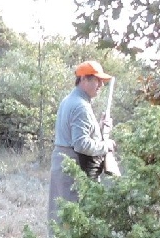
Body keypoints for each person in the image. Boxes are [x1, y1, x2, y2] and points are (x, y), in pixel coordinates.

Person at [47, 60, 115, 229]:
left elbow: (78, 135)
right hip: (73, 167)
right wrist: (106, 145)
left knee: (62, 217)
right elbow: (81, 144)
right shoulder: (80, 106)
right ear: (84, 79)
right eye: (96, 80)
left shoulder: (70, 100)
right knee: (73, 220)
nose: (100, 85)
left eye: (101, 81)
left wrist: (99, 128)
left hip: (64, 164)